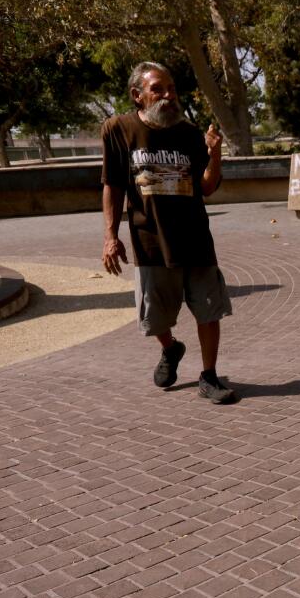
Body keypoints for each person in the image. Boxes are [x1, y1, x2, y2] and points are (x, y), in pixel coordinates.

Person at [100, 61, 235, 404]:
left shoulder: (189, 133)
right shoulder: (119, 129)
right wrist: (110, 236)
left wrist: (215, 154)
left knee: (209, 309)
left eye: (171, 88)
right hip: (150, 241)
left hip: (195, 239)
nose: (168, 95)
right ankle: (171, 348)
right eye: (158, 88)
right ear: (138, 95)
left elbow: (206, 187)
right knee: (154, 318)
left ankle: (209, 375)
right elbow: (113, 186)